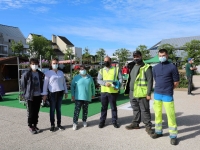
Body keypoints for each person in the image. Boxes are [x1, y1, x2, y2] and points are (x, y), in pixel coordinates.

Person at [151, 49, 179, 145]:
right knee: (157, 114)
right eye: (160, 55)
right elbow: (156, 79)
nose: (161, 57)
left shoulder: (172, 67)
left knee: (170, 115)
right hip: (157, 93)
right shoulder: (155, 68)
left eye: (163, 55)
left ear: (167, 55)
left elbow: (176, 82)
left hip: (167, 94)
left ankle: (173, 136)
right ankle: (158, 132)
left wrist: (170, 89)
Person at [124, 51, 153, 134]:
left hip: (142, 93)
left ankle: (148, 126)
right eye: (134, 56)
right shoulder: (132, 66)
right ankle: (135, 123)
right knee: (135, 109)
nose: (136, 58)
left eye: (137, 56)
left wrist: (148, 93)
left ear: (141, 56)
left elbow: (150, 81)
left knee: (145, 110)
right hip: (132, 92)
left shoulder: (146, 67)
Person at [42, 58, 68, 132]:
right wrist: (44, 94)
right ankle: (52, 125)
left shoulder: (61, 72)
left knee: (58, 109)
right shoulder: (48, 73)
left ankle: (59, 124)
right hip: (52, 93)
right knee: (52, 109)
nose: (55, 64)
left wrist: (66, 91)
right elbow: (45, 85)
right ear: (51, 64)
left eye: (56, 63)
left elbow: (64, 83)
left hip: (60, 93)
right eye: (53, 63)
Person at [21, 58, 45, 134]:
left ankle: (35, 125)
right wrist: (26, 93)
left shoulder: (40, 74)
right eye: (33, 64)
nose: (34, 65)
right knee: (31, 112)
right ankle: (30, 126)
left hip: (38, 95)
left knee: (36, 112)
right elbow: (23, 85)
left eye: (36, 64)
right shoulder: (27, 74)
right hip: (30, 96)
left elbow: (42, 84)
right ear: (30, 65)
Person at [97, 56, 122, 128]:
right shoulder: (101, 70)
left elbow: (120, 79)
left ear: (110, 61)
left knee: (113, 107)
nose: (106, 62)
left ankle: (114, 121)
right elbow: (98, 80)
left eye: (107, 61)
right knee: (103, 107)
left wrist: (117, 85)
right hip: (104, 91)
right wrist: (104, 83)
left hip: (113, 92)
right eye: (104, 61)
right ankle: (102, 121)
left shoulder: (116, 69)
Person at [71, 65, 95, 130]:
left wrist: (93, 93)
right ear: (79, 70)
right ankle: (75, 123)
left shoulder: (89, 78)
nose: (82, 70)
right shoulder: (76, 77)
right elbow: (72, 86)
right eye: (81, 69)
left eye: (83, 69)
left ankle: (84, 121)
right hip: (78, 97)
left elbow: (93, 86)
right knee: (77, 111)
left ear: (86, 70)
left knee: (85, 110)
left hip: (86, 97)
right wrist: (72, 95)